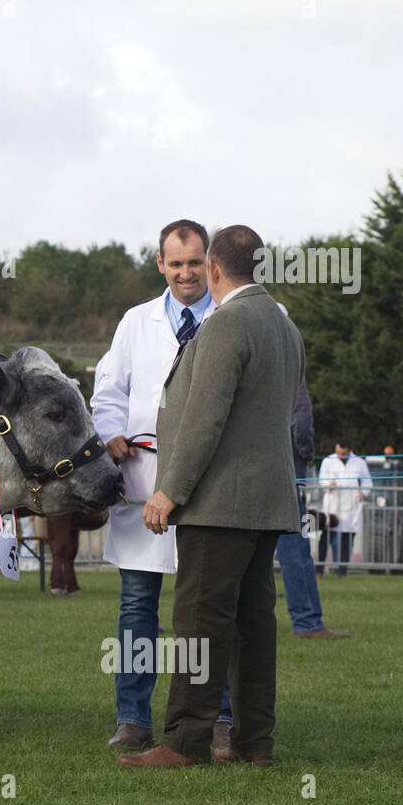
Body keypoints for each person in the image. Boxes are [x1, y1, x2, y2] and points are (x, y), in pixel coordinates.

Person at [121, 224, 304, 768]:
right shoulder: (282, 325)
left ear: (216, 270)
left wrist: (169, 491)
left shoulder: (228, 324)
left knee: (199, 625)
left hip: (219, 504)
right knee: (254, 627)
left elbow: (205, 419)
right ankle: (254, 743)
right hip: (267, 502)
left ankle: (184, 742)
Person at [91, 218, 230, 751]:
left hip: (209, 483)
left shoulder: (228, 316)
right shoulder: (135, 322)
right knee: (136, 608)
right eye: (176, 264)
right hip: (143, 482)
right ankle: (132, 718)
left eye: (196, 263)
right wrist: (110, 434)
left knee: (211, 608)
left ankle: (219, 717)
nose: (186, 273)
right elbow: (108, 393)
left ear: (210, 263)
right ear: (160, 264)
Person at [277, 378, 349, 638]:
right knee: (296, 551)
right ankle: (307, 621)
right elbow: (303, 425)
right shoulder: (293, 374)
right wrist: (306, 456)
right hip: (286, 477)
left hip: (251, 473)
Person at [318, 440, 372, 577]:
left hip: (351, 508)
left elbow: (367, 482)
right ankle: (318, 570)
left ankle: (342, 572)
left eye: (342, 453)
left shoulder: (359, 462)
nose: (339, 455)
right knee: (325, 538)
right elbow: (321, 480)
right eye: (337, 452)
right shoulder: (328, 461)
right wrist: (329, 484)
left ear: (349, 451)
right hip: (332, 507)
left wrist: (363, 493)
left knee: (347, 541)